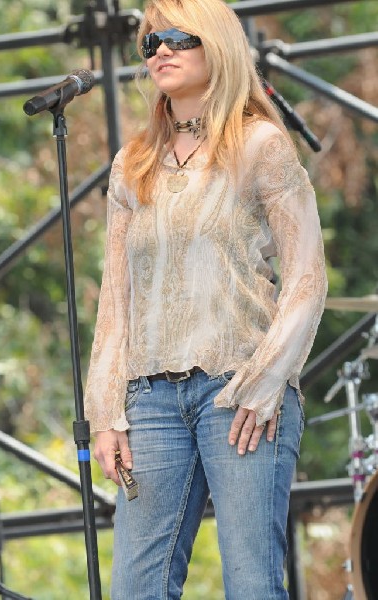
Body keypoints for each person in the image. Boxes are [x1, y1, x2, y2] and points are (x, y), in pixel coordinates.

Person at [84, 0, 327, 598]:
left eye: (177, 37)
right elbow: (116, 299)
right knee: (135, 589)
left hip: (239, 394)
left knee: (251, 584)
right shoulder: (131, 164)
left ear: (217, 44)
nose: (159, 49)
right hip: (150, 402)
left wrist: (265, 381)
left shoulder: (260, 144)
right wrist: (105, 413)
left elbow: (306, 275)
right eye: (149, 42)